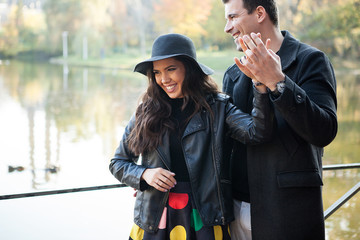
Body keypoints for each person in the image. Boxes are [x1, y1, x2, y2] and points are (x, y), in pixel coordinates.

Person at [109, 33, 274, 239]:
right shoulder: (145, 112)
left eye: (171, 69)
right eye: (157, 72)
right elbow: (118, 163)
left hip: (205, 216)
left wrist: (260, 85)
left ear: (190, 68)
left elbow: (257, 132)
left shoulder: (219, 108)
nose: (164, 79)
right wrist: (144, 175)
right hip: (155, 216)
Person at [221, 0, 338, 239]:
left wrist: (278, 82)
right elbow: (221, 140)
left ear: (260, 13)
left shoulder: (310, 60)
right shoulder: (233, 74)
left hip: (287, 214)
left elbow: (324, 131)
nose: (227, 27)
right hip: (232, 211)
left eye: (232, 17)